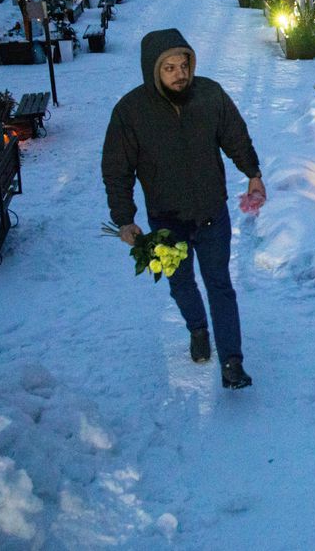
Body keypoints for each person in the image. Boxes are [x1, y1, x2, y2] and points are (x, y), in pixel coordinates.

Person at [101, 29, 264, 389]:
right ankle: (197, 328)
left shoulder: (209, 95)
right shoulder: (130, 112)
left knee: (220, 285)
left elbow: (236, 136)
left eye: (184, 64)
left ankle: (232, 362)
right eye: (170, 68)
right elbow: (117, 170)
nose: (180, 74)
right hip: (165, 220)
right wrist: (124, 219)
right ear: (153, 71)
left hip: (212, 214)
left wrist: (253, 173)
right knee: (181, 284)